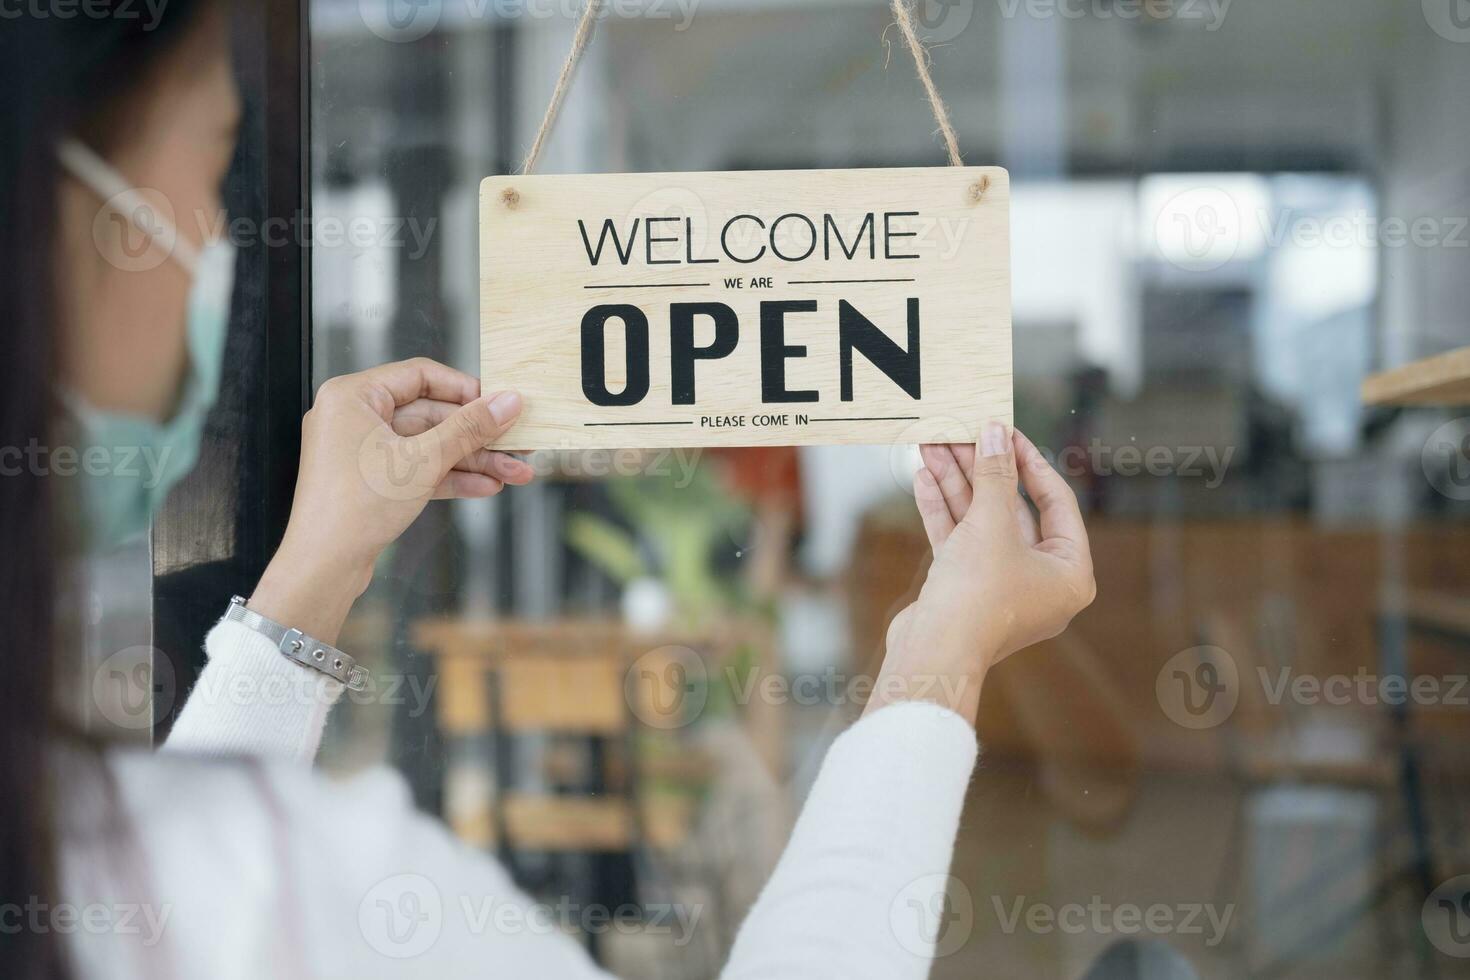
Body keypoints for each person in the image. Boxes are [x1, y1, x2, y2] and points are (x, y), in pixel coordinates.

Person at [1, 3, 1096, 978]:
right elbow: (221, 867)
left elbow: (200, 856)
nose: (218, 238)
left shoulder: (108, 865)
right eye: (216, 163)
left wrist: (314, 569)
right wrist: (939, 656)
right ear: (68, 226)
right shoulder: (287, 881)